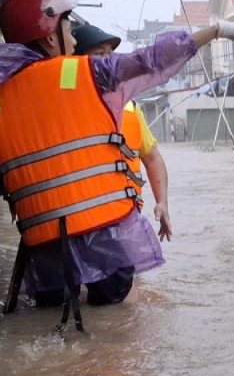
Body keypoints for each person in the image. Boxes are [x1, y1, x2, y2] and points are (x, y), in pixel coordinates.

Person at [0, 0, 234, 328]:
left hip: (44, 255)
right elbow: (153, 59)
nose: (76, 39)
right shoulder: (89, 75)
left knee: (49, 326)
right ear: (51, 36)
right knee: (120, 325)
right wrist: (217, 30)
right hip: (105, 239)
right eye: (68, 26)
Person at [72, 23, 172, 243]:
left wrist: (162, 202)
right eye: (99, 54)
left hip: (125, 222)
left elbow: (152, 157)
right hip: (78, 228)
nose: (109, 61)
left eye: (110, 53)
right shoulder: (65, 105)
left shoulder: (130, 107)